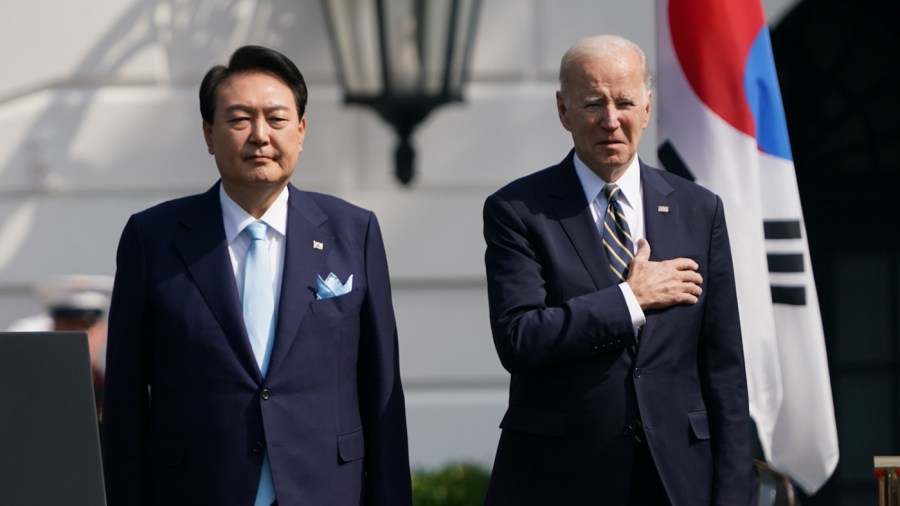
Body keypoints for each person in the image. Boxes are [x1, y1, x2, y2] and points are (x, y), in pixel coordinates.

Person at [101, 45, 411, 505]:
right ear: (209, 133)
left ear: (302, 131)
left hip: (325, 488)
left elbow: (382, 387)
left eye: (277, 119)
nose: (260, 135)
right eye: (239, 119)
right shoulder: (154, 237)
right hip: (197, 489)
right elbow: (125, 397)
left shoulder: (354, 232)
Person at [481, 35, 753, 505]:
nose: (611, 120)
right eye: (592, 103)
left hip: (676, 479)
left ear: (647, 108)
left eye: (625, 102)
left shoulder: (698, 209)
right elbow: (519, 338)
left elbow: (724, 371)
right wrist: (631, 299)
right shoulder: (519, 210)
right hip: (559, 478)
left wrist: (732, 495)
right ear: (563, 111)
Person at [6, 274, 112, 417]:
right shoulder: (34, 391)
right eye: (70, 327)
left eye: (87, 325)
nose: (81, 336)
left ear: (102, 331)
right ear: (54, 328)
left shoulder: (118, 390)